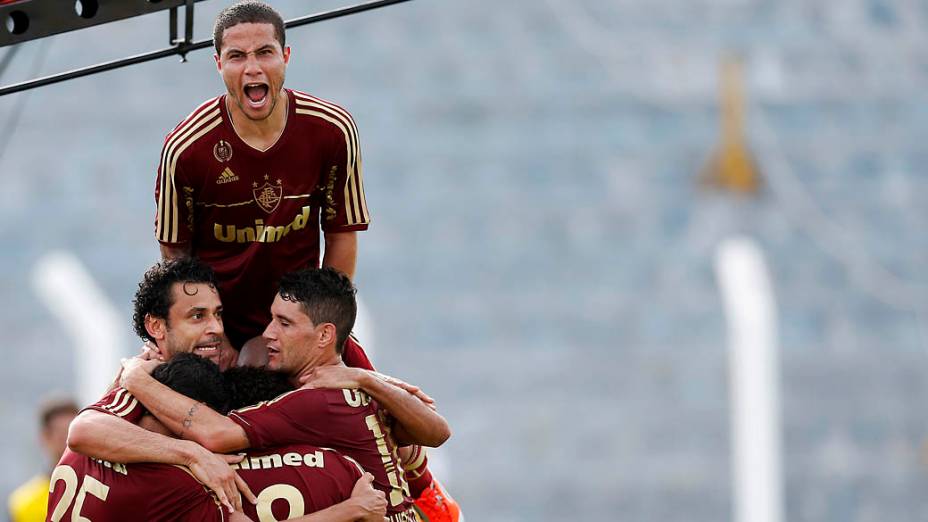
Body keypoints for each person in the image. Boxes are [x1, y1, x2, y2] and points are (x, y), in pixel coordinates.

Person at [120, 268, 450, 522]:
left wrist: (135, 378)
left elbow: (215, 434)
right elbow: (438, 432)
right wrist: (368, 380)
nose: (268, 333)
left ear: (324, 335)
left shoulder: (314, 401)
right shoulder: (352, 387)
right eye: (271, 319)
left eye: (284, 323)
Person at [51, 354, 387, 521]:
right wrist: (353, 509)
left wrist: (136, 371)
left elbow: (85, 426)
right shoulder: (180, 483)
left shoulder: (84, 448)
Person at [68, 257, 251, 512]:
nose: (217, 328)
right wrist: (191, 453)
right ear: (156, 326)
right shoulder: (140, 375)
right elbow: (81, 432)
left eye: (217, 314)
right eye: (197, 316)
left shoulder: (139, 377)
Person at [7, 398, 78, 522]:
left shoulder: (99, 491)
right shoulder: (23, 503)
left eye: (74, 432)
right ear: (45, 437)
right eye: (62, 434)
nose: (69, 442)